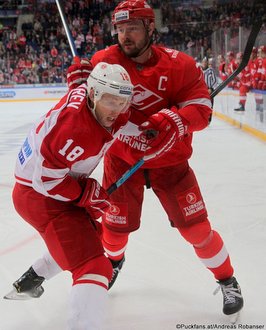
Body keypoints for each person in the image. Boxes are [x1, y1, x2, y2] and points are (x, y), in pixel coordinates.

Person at [8, 0, 244, 319]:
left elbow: (202, 112)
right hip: (123, 164)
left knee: (197, 230)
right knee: (114, 232)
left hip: (171, 166)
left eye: (132, 27)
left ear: (150, 27)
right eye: (119, 29)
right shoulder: (104, 60)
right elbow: (84, 103)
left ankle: (226, 279)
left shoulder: (181, 65)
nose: (124, 35)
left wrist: (175, 120)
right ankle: (114, 263)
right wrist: (76, 83)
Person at [5, 61, 140, 329]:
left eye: (123, 101)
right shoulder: (74, 130)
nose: (117, 110)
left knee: (87, 237)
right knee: (94, 266)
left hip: (50, 188)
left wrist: (155, 130)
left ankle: (33, 277)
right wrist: (84, 194)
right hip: (39, 196)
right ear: (94, 95)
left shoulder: (91, 99)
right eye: (110, 101)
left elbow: (119, 116)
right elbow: (45, 179)